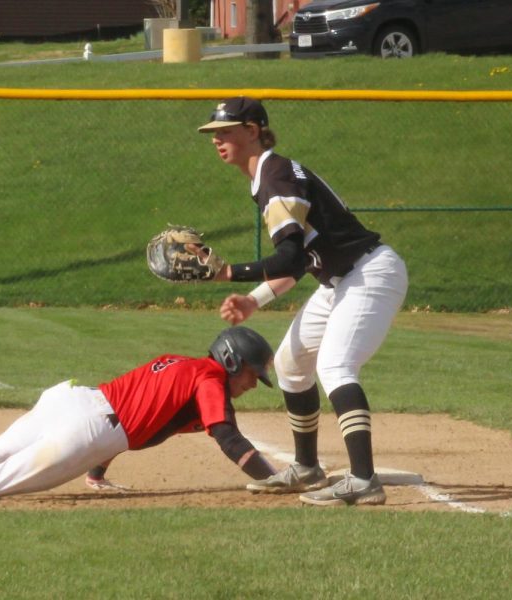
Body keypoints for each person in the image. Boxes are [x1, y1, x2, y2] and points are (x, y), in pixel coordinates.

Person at [195, 97, 409, 507]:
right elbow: (300, 262)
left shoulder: (275, 177)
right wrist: (255, 299)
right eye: (213, 133)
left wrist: (229, 273)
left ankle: (364, 480)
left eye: (225, 131)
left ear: (253, 130)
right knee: (292, 364)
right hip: (339, 279)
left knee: (334, 364)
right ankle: (307, 467)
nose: (217, 140)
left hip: (369, 273)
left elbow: (290, 257)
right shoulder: (268, 176)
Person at [0, 326, 278, 501]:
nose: (249, 386)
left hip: (72, 399)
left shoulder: (176, 363)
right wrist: (273, 479)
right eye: (252, 377)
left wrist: (95, 473)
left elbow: (138, 412)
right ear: (233, 362)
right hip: (90, 429)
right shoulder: (209, 380)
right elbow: (227, 436)